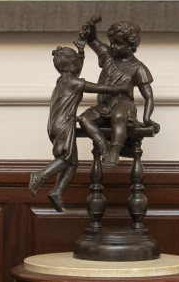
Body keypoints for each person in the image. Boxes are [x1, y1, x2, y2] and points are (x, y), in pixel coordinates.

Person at [27, 37, 128, 211]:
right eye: (77, 61)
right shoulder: (74, 83)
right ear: (72, 65)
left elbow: (77, 71)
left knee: (72, 163)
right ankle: (40, 176)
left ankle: (58, 192)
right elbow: (99, 88)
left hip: (55, 124)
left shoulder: (63, 80)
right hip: (64, 125)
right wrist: (119, 88)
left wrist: (81, 52)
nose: (79, 65)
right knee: (64, 158)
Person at [77, 16, 157, 169]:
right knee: (84, 118)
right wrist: (92, 26)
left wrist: (147, 118)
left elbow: (148, 96)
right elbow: (92, 40)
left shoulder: (138, 68)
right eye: (112, 42)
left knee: (119, 115)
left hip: (123, 105)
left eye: (118, 44)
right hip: (103, 106)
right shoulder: (107, 55)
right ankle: (103, 145)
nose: (113, 46)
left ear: (131, 46)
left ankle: (115, 150)